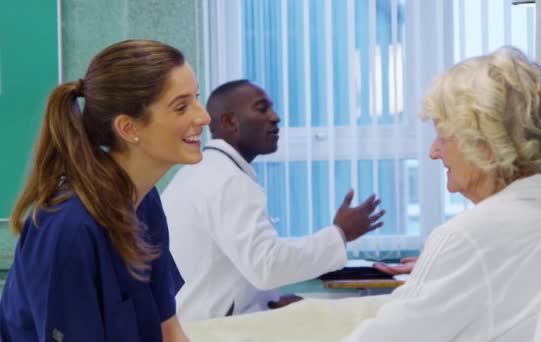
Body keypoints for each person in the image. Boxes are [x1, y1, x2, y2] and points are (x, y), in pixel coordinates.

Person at [343, 46, 541, 341]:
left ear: (486, 146)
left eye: (444, 137)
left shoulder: (466, 238)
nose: (433, 152)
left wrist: (452, 258)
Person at [0, 39, 210, 341]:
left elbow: (169, 330)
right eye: (181, 106)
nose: (203, 116)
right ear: (128, 128)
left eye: (197, 98)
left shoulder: (144, 201)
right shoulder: (67, 229)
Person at [161, 79, 385, 321]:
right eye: (261, 108)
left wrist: (268, 301)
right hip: (209, 331)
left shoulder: (210, 171)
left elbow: (240, 265)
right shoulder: (226, 180)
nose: (275, 117)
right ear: (229, 122)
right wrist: (340, 233)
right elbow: (265, 265)